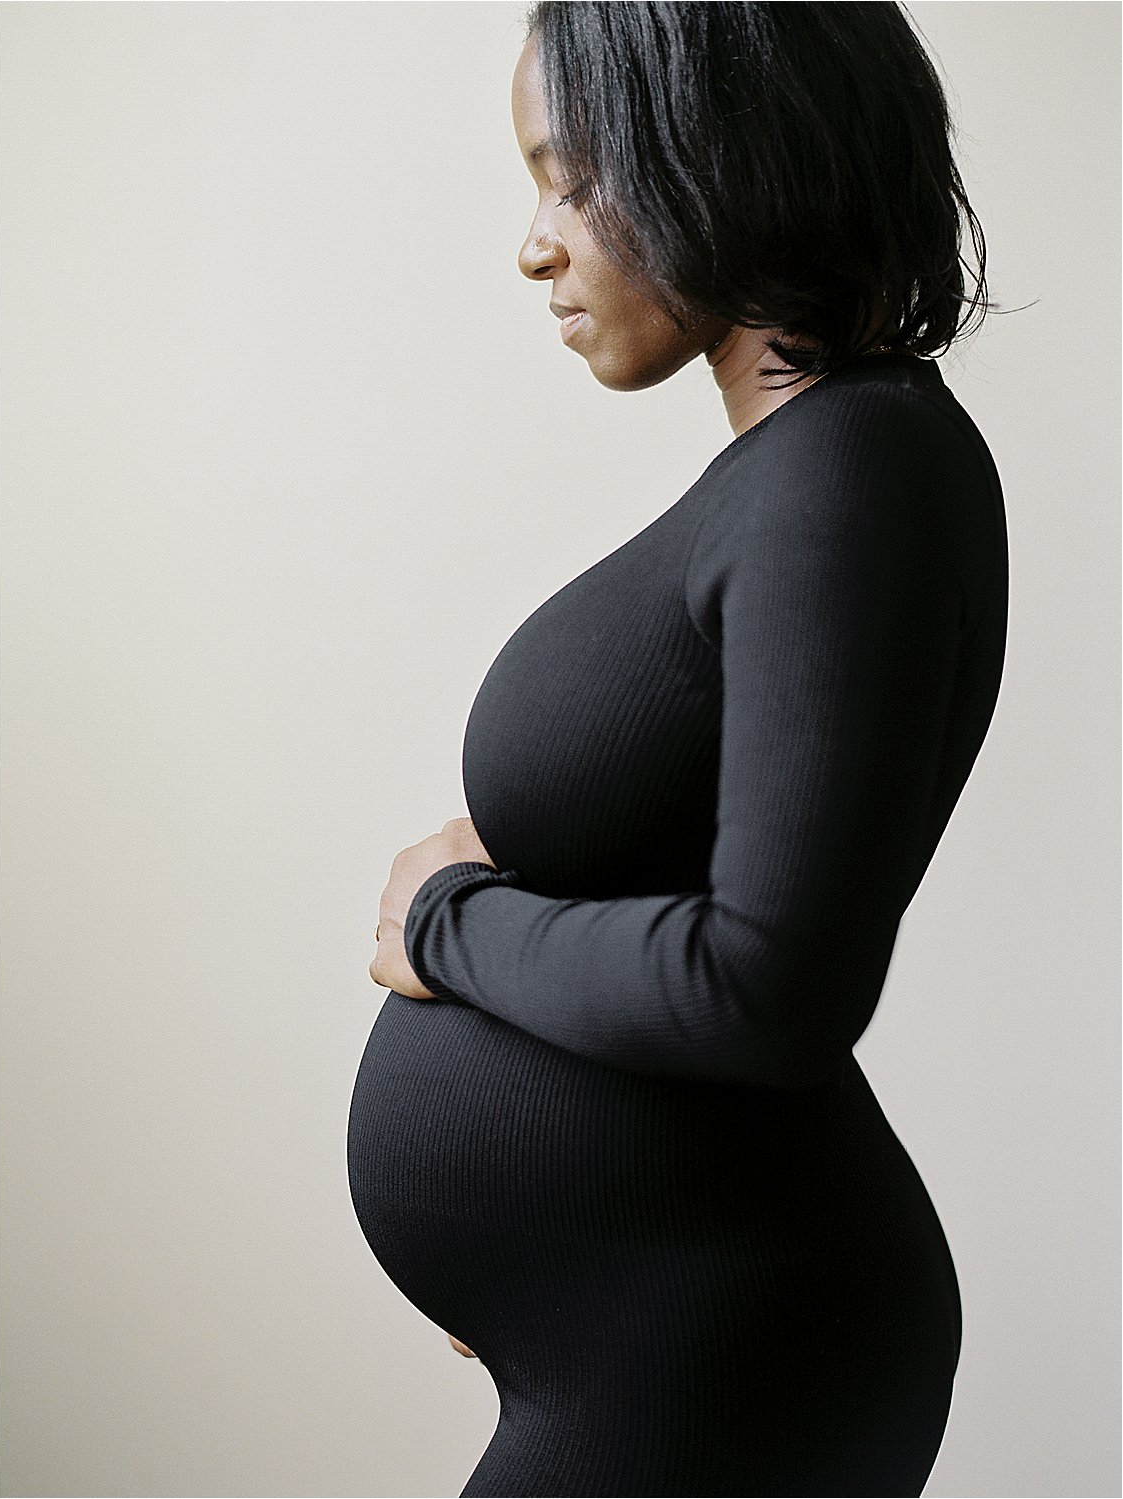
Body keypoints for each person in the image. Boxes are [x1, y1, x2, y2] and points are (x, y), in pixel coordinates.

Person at [348, 3, 1008, 1495]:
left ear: (725, 143)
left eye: (572, 177)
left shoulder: (855, 471)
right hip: (651, 1335)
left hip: (719, 1348)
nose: (535, 244)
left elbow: (767, 986)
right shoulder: (814, 469)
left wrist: (447, 927)